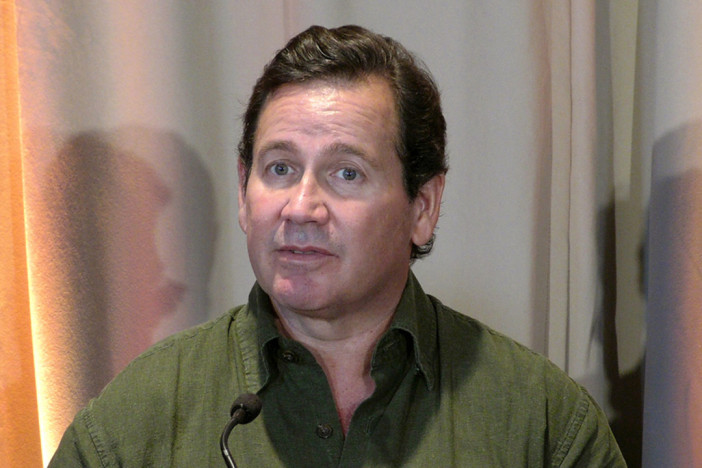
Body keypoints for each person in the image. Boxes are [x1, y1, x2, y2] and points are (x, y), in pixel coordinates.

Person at [49, 25, 625, 467]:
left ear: (422, 207)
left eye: (346, 173)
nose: (301, 207)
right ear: (244, 194)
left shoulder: (542, 424)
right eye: (279, 168)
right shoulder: (135, 422)